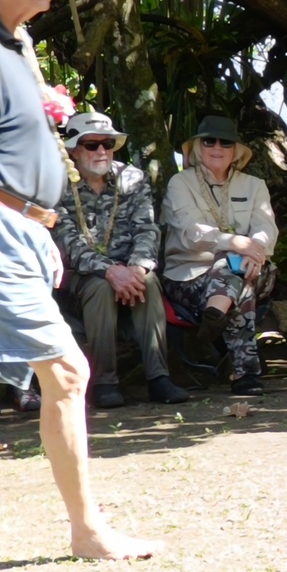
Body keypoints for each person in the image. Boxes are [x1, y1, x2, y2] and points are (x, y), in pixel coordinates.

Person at [0, 0, 154, 562]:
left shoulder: (13, 41)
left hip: (14, 234)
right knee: (67, 371)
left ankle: (87, 530)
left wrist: (40, 231)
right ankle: (88, 532)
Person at [52, 110, 185, 407]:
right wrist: (111, 271)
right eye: (91, 144)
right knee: (99, 287)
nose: (102, 151)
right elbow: (68, 243)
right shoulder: (56, 185)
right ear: (73, 149)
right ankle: (104, 381)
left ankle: (158, 377)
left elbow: (147, 229)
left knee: (148, 281)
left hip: (129, 271)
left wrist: (137, 268)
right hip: (79, 275)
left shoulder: (132, 178)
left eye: (108, 144)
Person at [161, 115, 277, 395]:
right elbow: (191, 231)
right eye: (209, 141)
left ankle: (215, 315)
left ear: (235, 150)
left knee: (237, 271)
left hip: (252, 266)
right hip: (189, 275)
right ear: (198, 147)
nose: (217, 147)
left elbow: (266, 228)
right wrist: (237, 244)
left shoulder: (254, 185)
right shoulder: (180, 183)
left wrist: (254, 250)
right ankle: (245, 375)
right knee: (238, 281)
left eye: (225, 142)